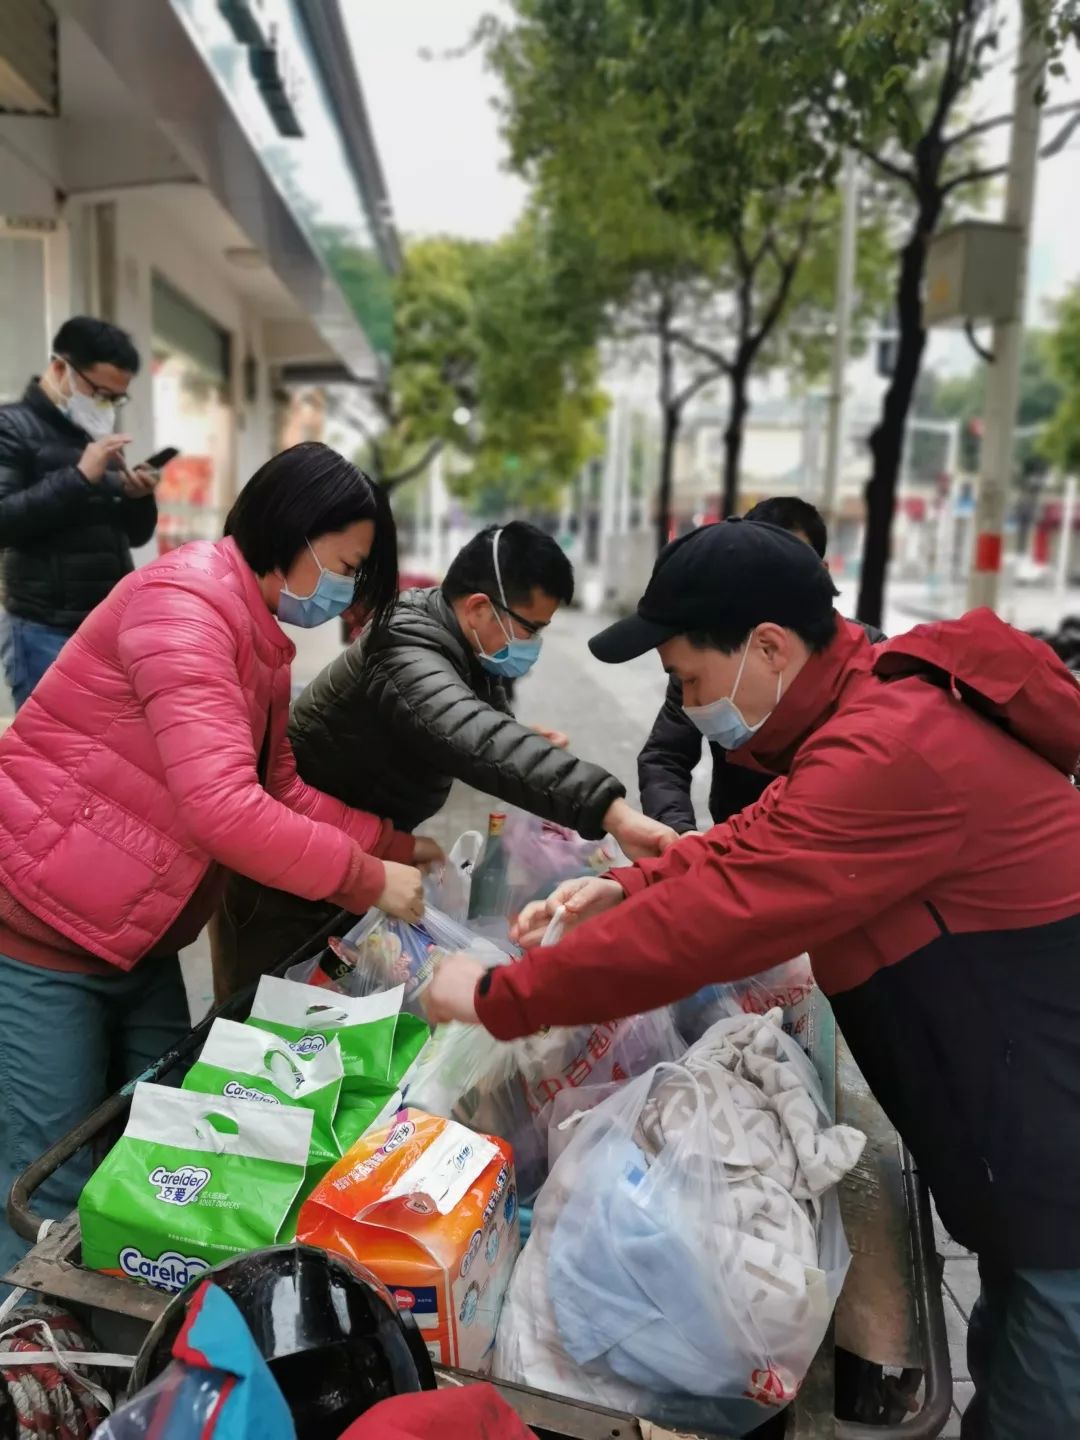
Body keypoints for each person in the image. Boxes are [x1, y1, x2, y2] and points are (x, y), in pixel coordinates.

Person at [427, 517, 1080, 1438]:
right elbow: (762, 837)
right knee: (1008, 1349)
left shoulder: (893, 744)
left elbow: (720, 919)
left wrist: (501, 999)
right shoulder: (870, 707)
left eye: (690, 679)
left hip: (1053, 1148)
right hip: (1011, 1132)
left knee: (1039, 1394)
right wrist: (623, 887)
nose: (688, 704)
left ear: (767, 647)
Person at [0, 442, 440, 1281]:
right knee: (45, 1187)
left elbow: (277, 792)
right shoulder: (186, 608)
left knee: (169, 1147)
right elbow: (227, 812)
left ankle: (125, 1349)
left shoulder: (254, 636)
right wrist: (368, 878)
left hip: (139, 934)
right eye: (343, 566)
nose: (343, 589)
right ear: (295, 533)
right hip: (45, 928)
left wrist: (395, 843)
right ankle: (35, 1376)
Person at [212, 521, 677, 997]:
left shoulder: (460, 647)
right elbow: (474, 736)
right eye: (530, 628)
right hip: (285, 883)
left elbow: (484, 731)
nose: (533, 644)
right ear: (479, 608)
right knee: (262, 1027)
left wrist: (522, 739)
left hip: (352, 861)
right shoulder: (405, 643)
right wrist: (612, 812)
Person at [637, 496, 883, 832]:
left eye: (789, 566)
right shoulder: (710, 663)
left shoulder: (873, 670)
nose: (771, 587)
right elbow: (665, 757)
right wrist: (678, 838)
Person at [0, 317, 161, 708]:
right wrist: (78, 477)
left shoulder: (93, 434)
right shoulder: (11, 426)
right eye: (100, 392)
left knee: (98, 756)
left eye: (115, 398)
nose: (105, 405)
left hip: (104, 625)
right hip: (43, 628)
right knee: (49, 756)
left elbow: (132, 537)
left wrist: (137, 497)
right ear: (60, 369)